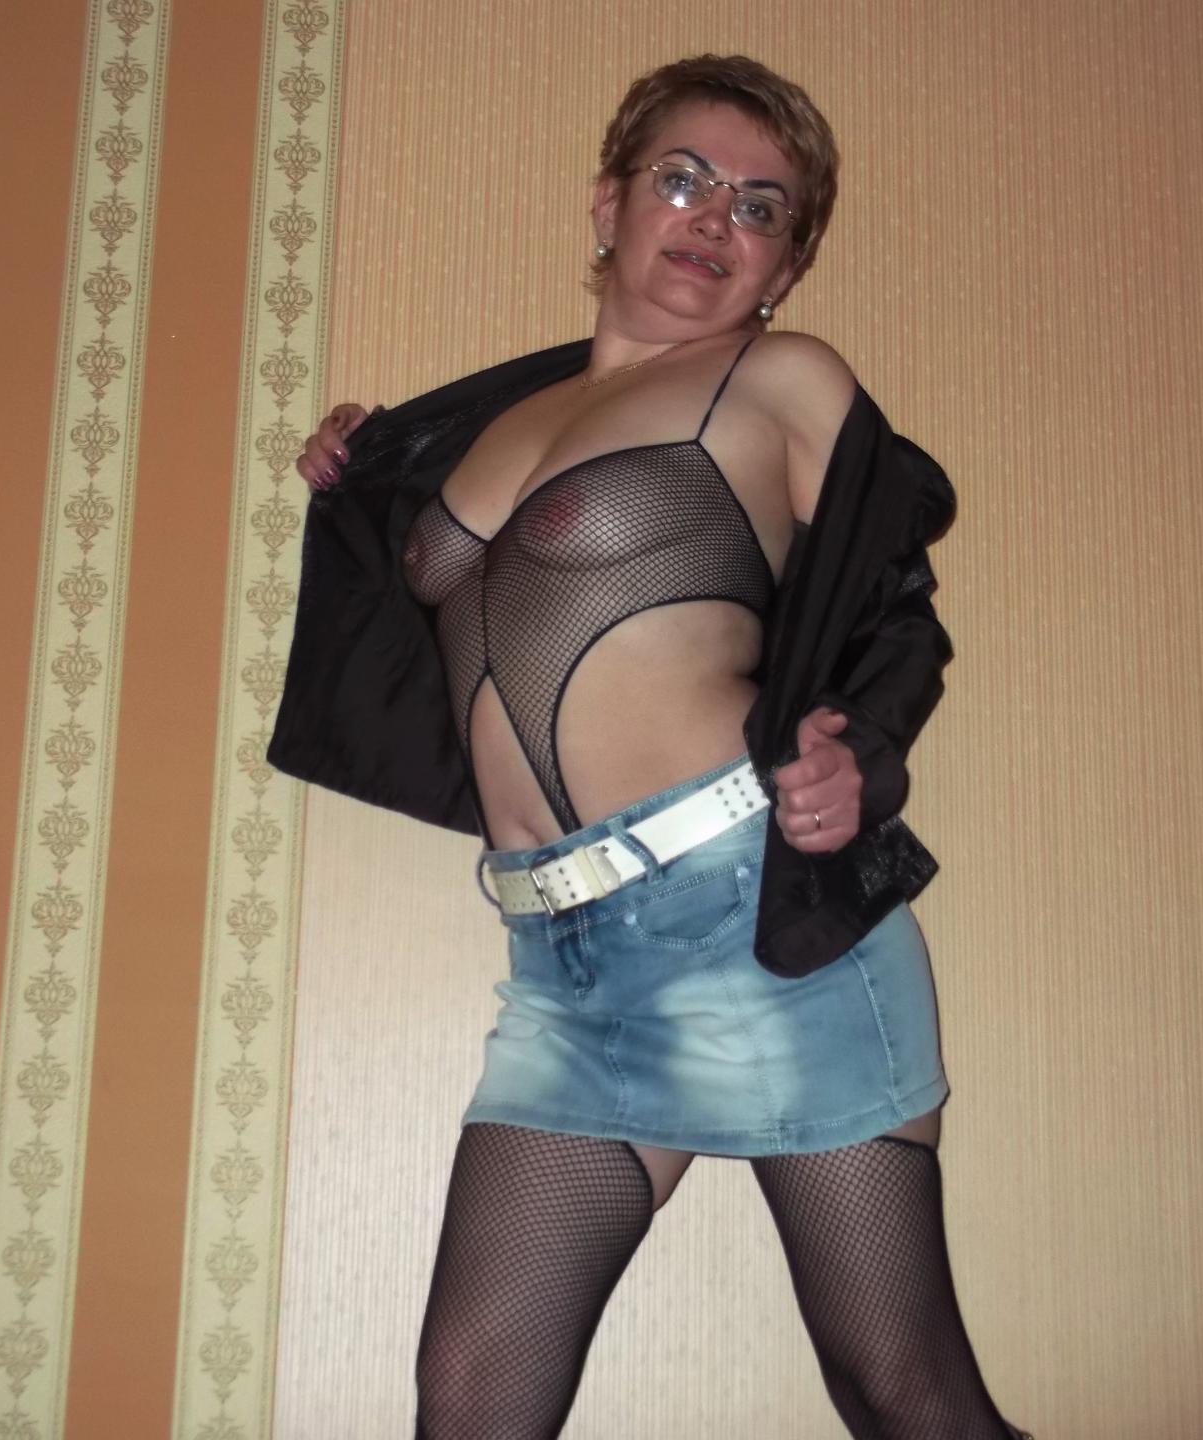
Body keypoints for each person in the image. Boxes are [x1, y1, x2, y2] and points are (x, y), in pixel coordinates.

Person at [271, 53, 1027, 1440]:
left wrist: (862, 753)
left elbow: (895, 607)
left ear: (786, 264)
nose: (715, 218)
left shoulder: (780, 380)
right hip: (563, 964)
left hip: (748, 918)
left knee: (903, 1392)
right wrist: (364, 470)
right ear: (608, 202)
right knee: (471, 1400)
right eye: (683, 180)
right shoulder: (499, 421)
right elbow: (434, 602)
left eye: (761, 207)